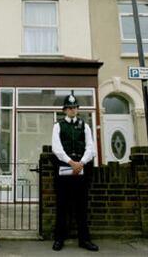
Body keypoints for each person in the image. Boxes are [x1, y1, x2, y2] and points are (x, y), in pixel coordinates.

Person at [51, 94, 99, 252]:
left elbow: (90, 148)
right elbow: (56, 148)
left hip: (81, 171)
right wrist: (71, 163)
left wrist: (81, 163)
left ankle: (84, 240)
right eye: (69, 108)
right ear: (65, 110)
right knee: (62, 206)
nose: (72, 110)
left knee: (81, 207)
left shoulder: (85, 126)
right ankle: (59, 239)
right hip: (64, 171)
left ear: (78, 109)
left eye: (75, 107)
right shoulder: (58, 126)